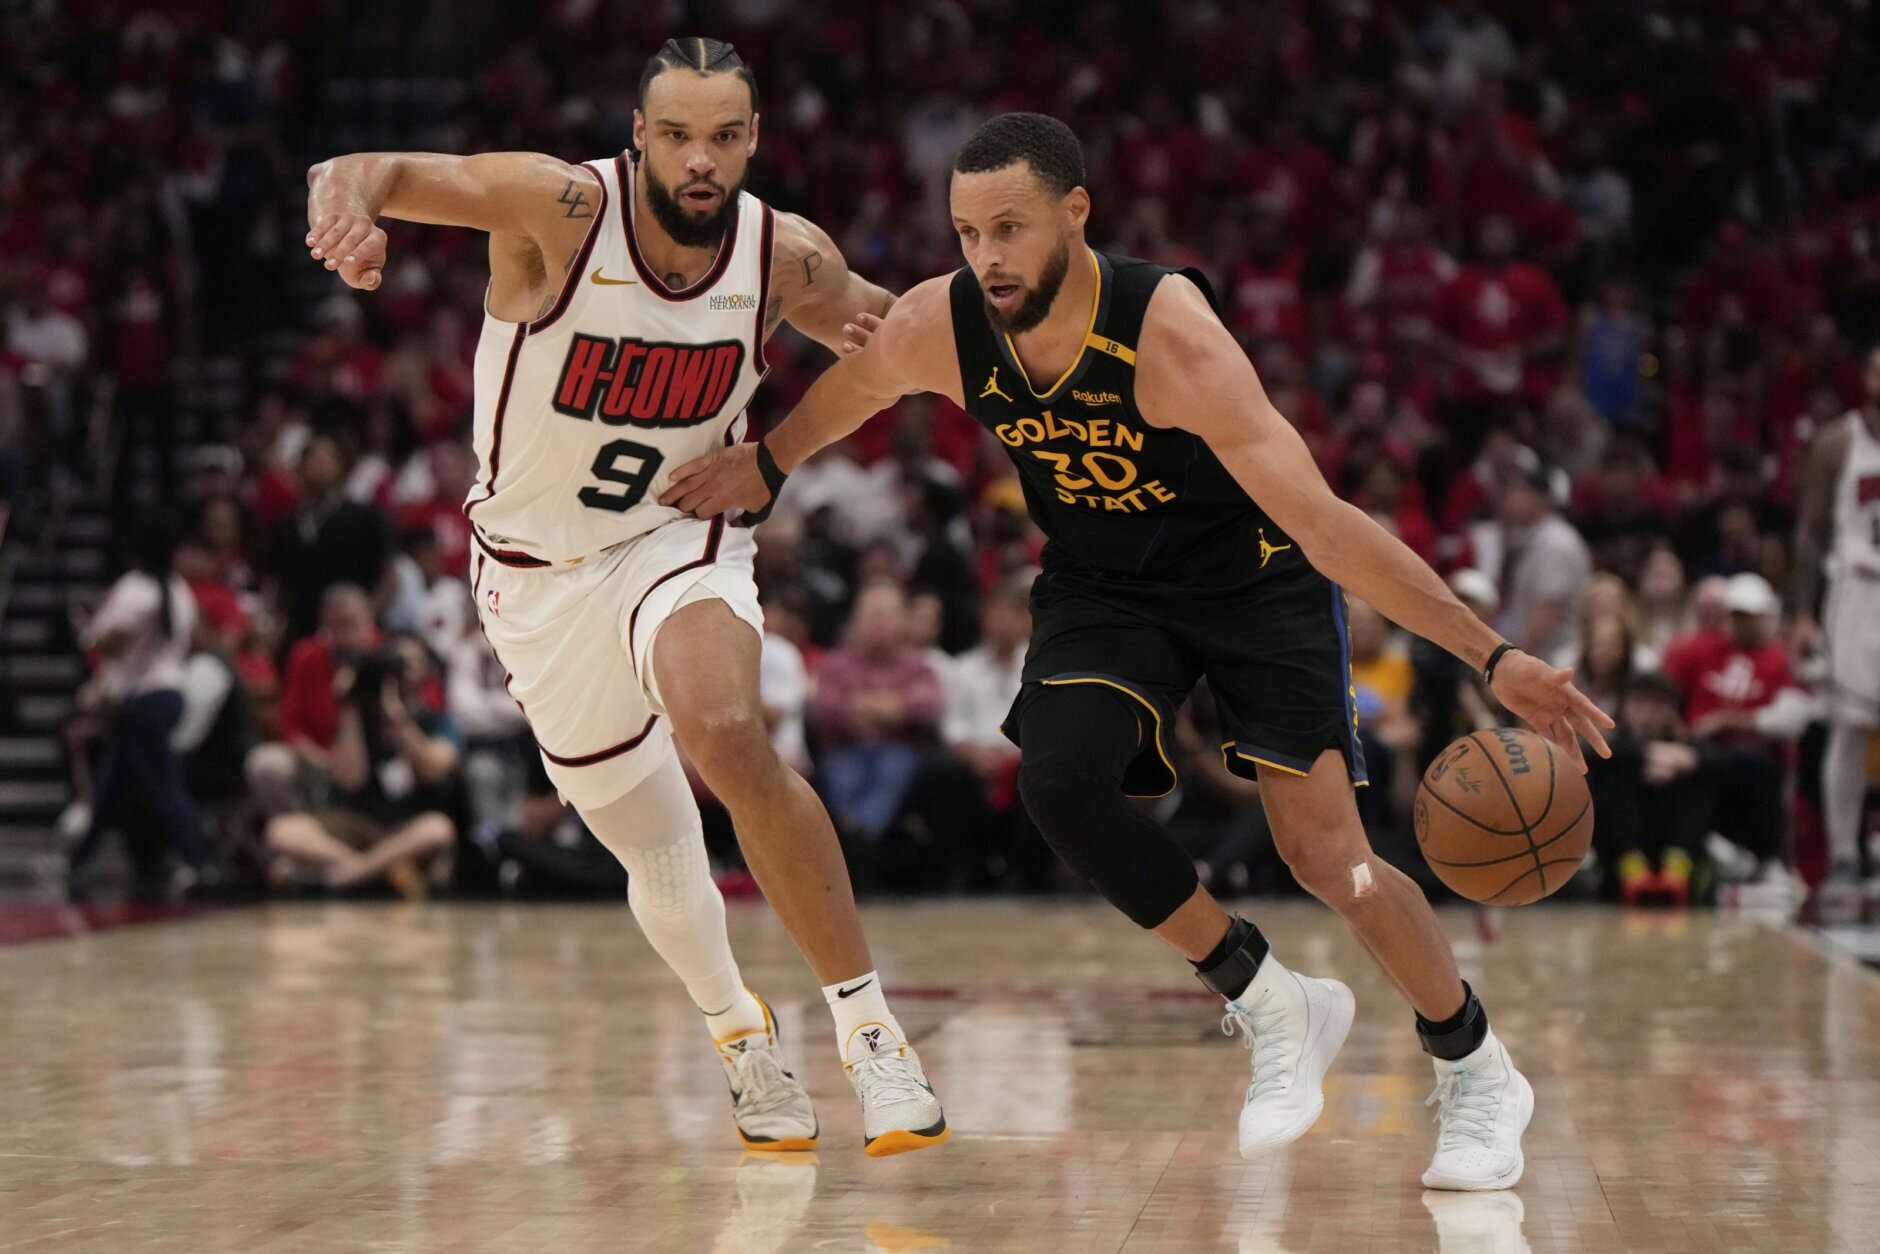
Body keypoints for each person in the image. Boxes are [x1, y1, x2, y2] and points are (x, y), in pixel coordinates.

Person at [663, 112, 1612, 1189]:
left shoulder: (1172, 339)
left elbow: (1324, 524)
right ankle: (1268, 998)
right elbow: (861, 382)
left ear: (1076, 213)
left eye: (1009, 228)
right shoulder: (946, 323)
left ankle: (1476, 1067)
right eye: (967, 232)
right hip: (1106, 583)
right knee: (1059, 785)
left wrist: (1494, 659)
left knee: (1329, 859)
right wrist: (769, 462)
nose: (985, 256)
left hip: (1255, 579)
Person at [303, 37, 946, 1154]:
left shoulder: (783, 257)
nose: (701, 160)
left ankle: (871, 1034)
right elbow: (367, 169)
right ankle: (736, 1030)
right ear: (639, 135)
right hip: (535, 581)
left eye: (725, 137)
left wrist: (1008, 353)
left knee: (727, 730)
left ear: (753, 140)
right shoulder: (556, 209)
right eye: (679, 135)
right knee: (656, 851)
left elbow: (898, 342)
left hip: (675, 535)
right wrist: (345, 211)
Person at [1791, 344, 1880, 901]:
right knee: (1849, 726)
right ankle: (1845, 854)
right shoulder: (1838, 442)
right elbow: (1809, 532)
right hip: (1857, 591)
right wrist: (1803, 611)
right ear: (1866, 376)